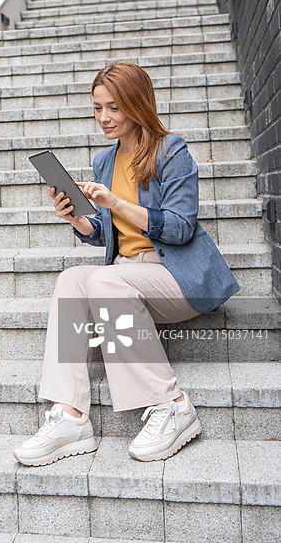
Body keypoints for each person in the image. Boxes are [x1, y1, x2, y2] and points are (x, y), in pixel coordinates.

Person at [13, 61, 240, 467]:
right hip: (129, 271)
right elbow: (107, 231)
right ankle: (70, 415)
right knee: (72, 280)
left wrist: (118, 203)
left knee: (107, 282)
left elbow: (182, 227)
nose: (104, 118)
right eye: (98, 108)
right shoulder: (105, 160)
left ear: (137, 104)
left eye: (114, 108)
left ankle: (171, 406)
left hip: (177, 275)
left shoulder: (172, 151)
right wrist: (78, 219)